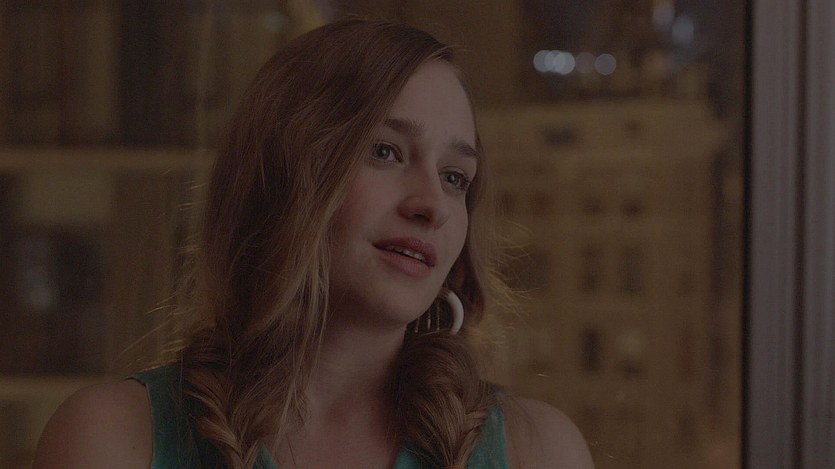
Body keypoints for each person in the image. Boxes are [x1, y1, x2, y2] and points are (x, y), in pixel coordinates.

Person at [32, 19, 594, 469]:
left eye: (455, 177)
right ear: (281, 177)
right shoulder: (111, 440)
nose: (433, 204)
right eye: (385, 151)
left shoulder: (537, 451)